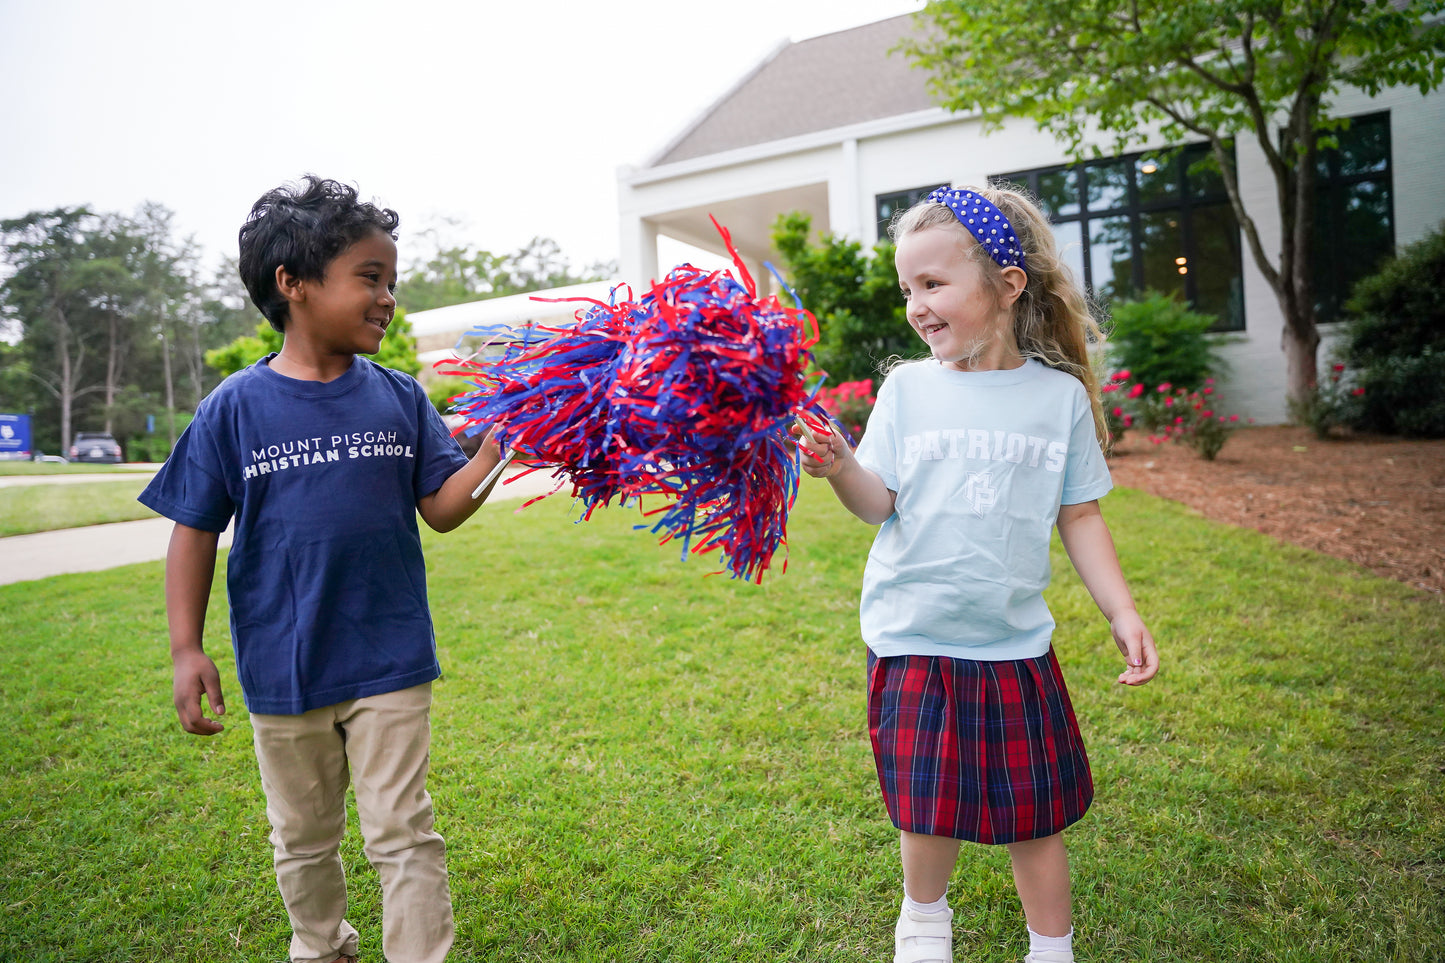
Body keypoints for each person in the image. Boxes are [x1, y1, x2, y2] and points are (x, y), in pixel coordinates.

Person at [139, 176, 503, 963]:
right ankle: (320, 946)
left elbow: (439, 507)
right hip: (284, 662)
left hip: (390, 655)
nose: (387, 299)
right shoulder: (234, 406)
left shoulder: (400, 397)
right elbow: (193, 530)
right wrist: (185, 647)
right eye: (370, 278)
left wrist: (493, 451)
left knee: (405, 831)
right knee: (303, 838)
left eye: (391, 282)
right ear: (293, 284)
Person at [794, 184, 1159, 963]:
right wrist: (839, 467)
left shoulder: (1055, 398)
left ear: (1006, 284)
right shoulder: (907, 389)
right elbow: (877, 502)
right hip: (913, 634)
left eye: (933, 284)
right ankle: (924, 923)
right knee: (926, 807)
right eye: (906, 289)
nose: (916, 305)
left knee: (1034, 813)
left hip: (1011, 642)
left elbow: (1080, 515)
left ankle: (1050, 946)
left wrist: (1120, 611)